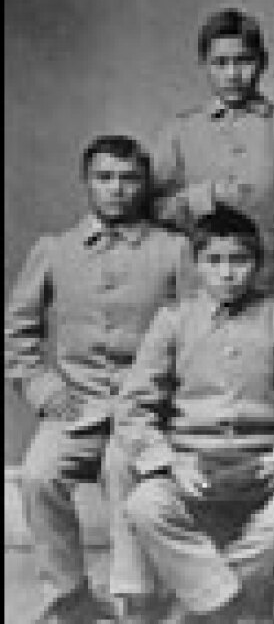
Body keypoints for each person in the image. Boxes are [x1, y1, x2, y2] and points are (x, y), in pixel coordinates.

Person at [5, 135, 190, 624]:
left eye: (129, 179)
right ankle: (70, 596)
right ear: (86, 184)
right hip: (76, 405)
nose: (117, 190)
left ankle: (138, 597)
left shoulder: (174, 250)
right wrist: (43, 389)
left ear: (144, 184)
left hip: (146, 406)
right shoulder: (54, 250)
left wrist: (161, 396)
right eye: (104, 178)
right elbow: (17, 333)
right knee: (38, 476)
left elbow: (197, 334)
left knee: (121, 469)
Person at [118, 205, 274, 624]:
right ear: (197, 264)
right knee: (144, 507)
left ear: (258, 264)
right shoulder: (172, 321)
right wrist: (169, 463)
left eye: (240, 261)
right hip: (193, 461)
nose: (227, 273)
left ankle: (199, 603)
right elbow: (135, 408)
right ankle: (225, 605)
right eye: (215, 261)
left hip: (261, 461)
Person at [153, 8, 274, 313]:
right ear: (204, 65)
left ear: (263, 62)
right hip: (201, 293)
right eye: (220, 63)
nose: (232, 74)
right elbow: (153, 212)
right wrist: (203, 198)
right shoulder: (180, 130)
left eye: (243, 61)